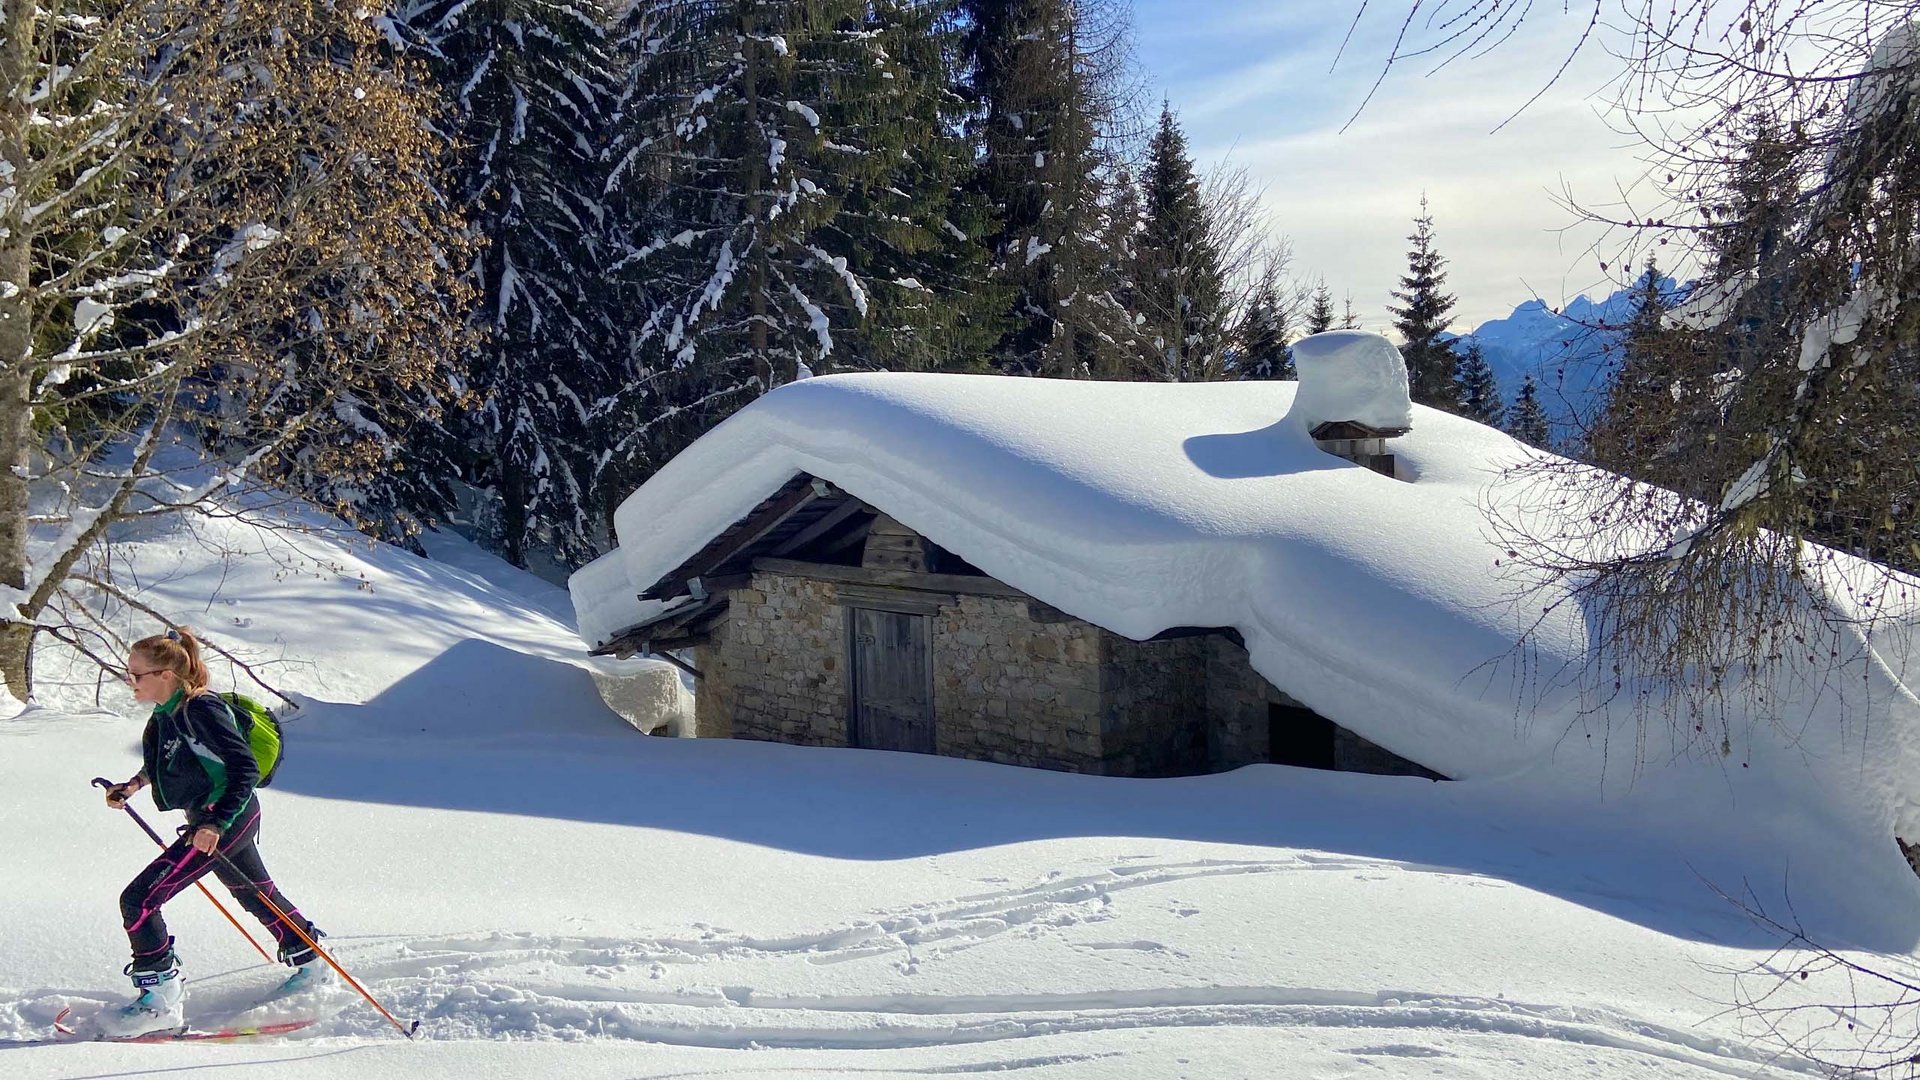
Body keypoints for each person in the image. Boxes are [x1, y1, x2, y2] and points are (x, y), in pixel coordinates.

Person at [98, 627, 329, 1037]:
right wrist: (131, 786)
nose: (129, 680)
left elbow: (244, 769)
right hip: (212, 819)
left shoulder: (201, 709)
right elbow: (168, 762)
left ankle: (160, 1003)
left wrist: (215, 824)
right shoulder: (167, 711)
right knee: (255, 893)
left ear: (165, 675)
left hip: (224, 819)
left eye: (136, 674)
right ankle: (311, 961)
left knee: (139, 900)